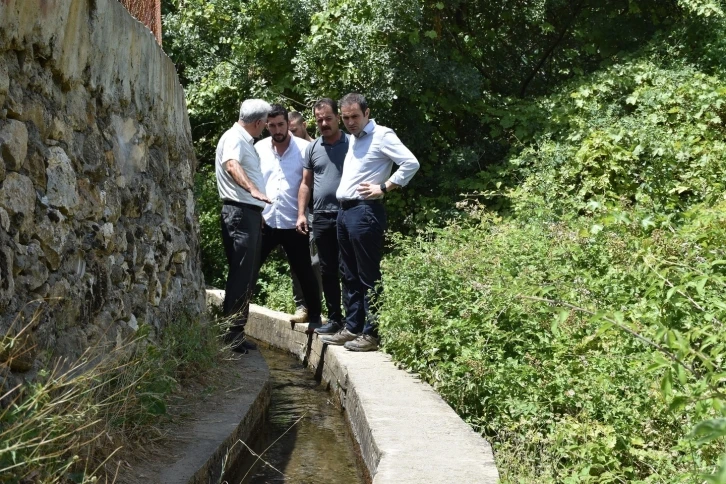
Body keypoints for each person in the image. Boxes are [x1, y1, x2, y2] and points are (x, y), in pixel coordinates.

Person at [321, 93, 420, 352]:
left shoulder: (382, 135)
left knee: (368, 275)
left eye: (355, 116)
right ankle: (353, 327)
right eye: (346, 118)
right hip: (345, 212)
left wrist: (384, 187)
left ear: (367, 113)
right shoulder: (354, 138)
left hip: (365, 212)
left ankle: (372, 334)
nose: (351, 122)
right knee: (348, 273)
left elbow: (411, 163)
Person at [255, 104, 324, 332]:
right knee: (250, 269)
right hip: (266, 220)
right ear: (267, 126)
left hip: (294, 220)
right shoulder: (259, 148)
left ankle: (315, 316)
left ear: (288, 123)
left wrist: (302, 214)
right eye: (272, 125)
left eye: (281, 124)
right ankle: (236, 321)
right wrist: (257, 211)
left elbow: (308, 183)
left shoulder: (305, 148)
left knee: (304, 269)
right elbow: (253, 182)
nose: (277, 130)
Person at [216, 99, 272, 353]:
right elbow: (231, 165)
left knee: (247, 273)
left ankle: (236, 330)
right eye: (265, 124)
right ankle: (231, 332)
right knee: (241, 272)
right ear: (258, 122)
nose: (265, 129)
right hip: (240, 212)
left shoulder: (240, 139)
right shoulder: (234, 138)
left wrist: (255, 207)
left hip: (247, 212)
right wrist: (252, 190)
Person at [296, 98, 349, 335]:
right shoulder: (313, 148)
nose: (324, 123)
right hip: (321, 217)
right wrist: (301, 214)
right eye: (320, 120)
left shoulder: (352, 143)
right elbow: (306, 184)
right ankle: (335, 318)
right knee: (327, 270)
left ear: (338, 117)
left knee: (349, 268)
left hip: (347, 213)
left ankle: (354, 319)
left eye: (328, 118)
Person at [288, 111, 322, 324]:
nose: (290, 135)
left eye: (293, 130)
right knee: (297, 260)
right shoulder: (287, 149)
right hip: (297, 211)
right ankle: (302, 306)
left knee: (317, 261)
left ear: (305, 125)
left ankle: (317, 306)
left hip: (320, 210)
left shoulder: (319, 146)